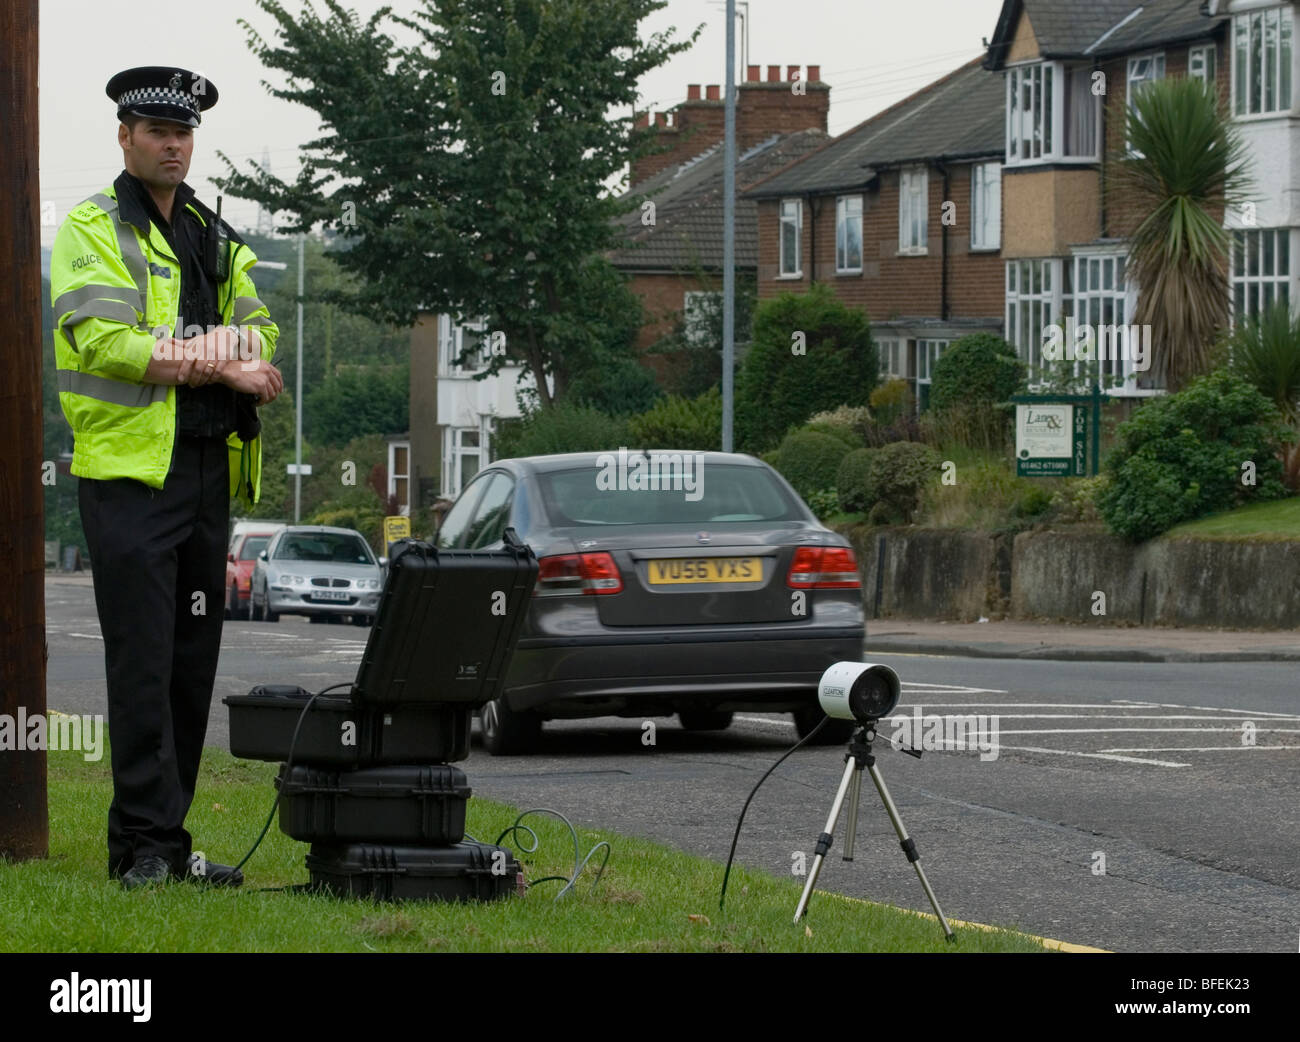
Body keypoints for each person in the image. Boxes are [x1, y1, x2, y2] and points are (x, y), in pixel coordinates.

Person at [50, 66, 284, 889]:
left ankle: (170, 843)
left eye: (184, 133)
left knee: (190, 665)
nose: (174, 145)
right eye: (157, 132)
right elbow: (110, 345)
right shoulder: (90, 225)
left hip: (206, 470)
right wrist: (223, 363)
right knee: (143, 665)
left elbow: (263, 334)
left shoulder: (214, 233)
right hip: (129, 477)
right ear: (126, 137)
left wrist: (227, 355)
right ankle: (140, 850)